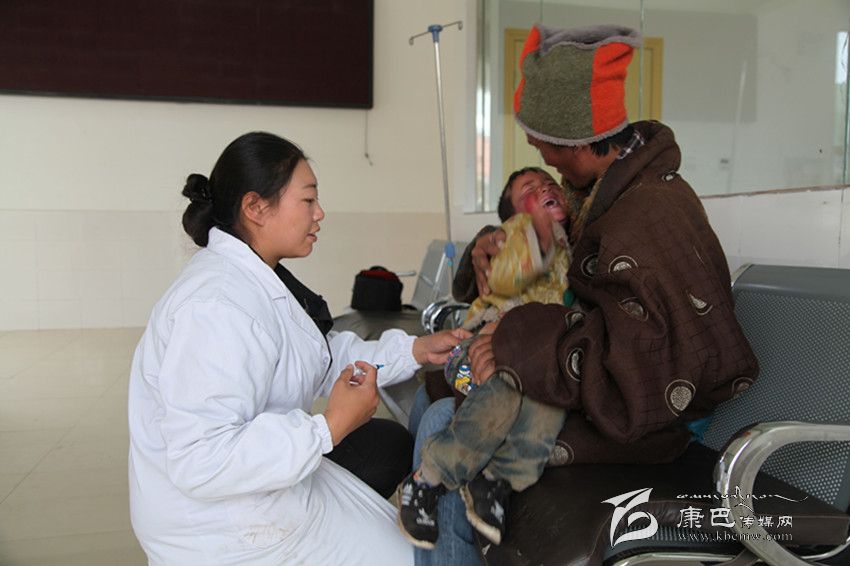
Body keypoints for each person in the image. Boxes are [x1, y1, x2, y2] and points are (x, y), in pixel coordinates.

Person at [415, 23, 760, 564]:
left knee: (446, 420)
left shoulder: (649, 214)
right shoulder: (599, 195)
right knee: (436, 389)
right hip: (594, 378)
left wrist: (517, 342)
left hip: (651, 415)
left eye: (544, 148)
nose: (544, 161)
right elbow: (548, 270)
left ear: (574, 141)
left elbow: (645, 356)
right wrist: (489, 246)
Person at [127, 131, 468, 565]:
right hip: (219, 526)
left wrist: (415, 350)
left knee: (390, 471)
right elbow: (201, 459)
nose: (319, 213)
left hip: (260, 484)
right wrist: (329, 426)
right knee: (412, 561)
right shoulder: (215, 306)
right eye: (308, 200)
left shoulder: (256, 276)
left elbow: (318, 357)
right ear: (255, 208)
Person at [396, 167, 572, 548]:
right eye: (530, 189)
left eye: (549, 183)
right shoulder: (520, 232)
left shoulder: (567, 243)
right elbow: (502, 278)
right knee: (500, 397)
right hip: (477, 349)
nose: (544, 188)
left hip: (530, 354)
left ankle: (496, 481)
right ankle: (426, 479)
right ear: (514, 215)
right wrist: (536, 241)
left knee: (547, 405)